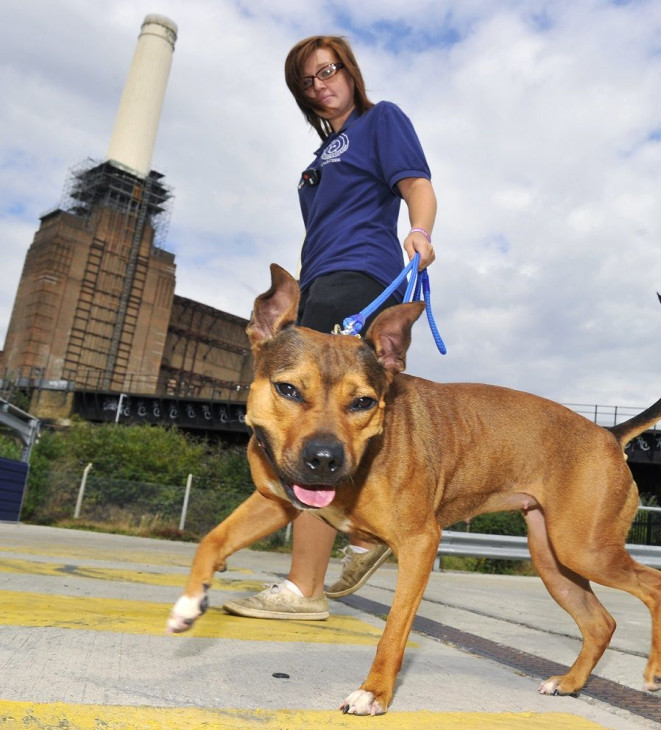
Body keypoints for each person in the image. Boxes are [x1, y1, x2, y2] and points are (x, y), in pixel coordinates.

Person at [223, 35, 436, 620]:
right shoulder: (319, 160)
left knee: (313, 426)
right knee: (329, 422)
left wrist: (420, 231)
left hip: (359, 278)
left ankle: (305, 589)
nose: (320, 85)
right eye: (308, 82)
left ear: (349, 72)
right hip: (318, 283)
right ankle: (365, 534)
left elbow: (415, 182)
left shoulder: (379, 120)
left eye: (328, 71)